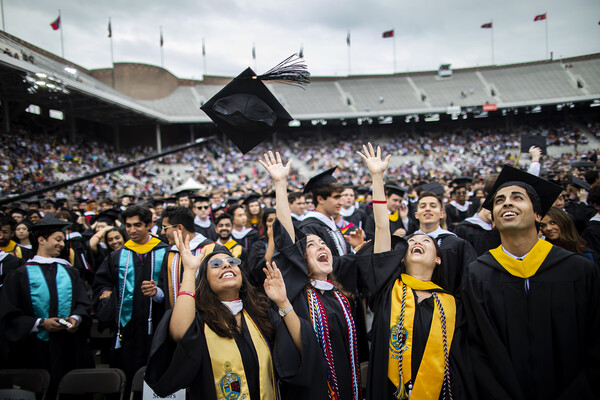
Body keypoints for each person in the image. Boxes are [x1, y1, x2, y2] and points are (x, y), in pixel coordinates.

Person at [462, 165, 600, 399]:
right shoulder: (477, 275)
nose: (507, 203)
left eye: (517, 198)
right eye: (499, 200)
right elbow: (474, 348)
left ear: (538, 215)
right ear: (493, 220)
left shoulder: (578, 270)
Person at [356, 143, 474, 400]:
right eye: (412, 242)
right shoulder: (387, 289)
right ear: (401, 258)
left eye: (426, 242)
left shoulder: (452, 306)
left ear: (439, 260)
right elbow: (382, 226)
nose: (418, 242)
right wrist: (377, 177)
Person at [260, 151, 365, 400]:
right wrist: (280, 183)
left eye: (323, 243)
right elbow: (286, 237)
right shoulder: (299, 292)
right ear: (300, 260)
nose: (321, 246)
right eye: (311, 245)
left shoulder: (341, 296)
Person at [145, 232, 300, 399]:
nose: (226, 266)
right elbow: (180, 333)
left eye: (232, 262)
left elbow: (300, 347)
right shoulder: (200, 320)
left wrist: (283, 302)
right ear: (205, 279)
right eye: (216, 264)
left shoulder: (261, 316)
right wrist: (190, 270)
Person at [0, 218, 94, 396]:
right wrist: (40, 323)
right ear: (41, 240)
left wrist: (76, 319)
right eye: (57, 239)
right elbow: (8, 313)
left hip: (69, 347)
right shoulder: (20, 274)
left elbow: (83, 304)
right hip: (34, 349)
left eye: (62, 240)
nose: (61, 244)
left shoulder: (70, 271)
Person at [92, 205, 169, 393]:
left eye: (138, 225)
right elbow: (102, 284)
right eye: (128, 226)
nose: (132, 230)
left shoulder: (166, 252)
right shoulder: (117, 256)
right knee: (128, 375)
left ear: (150, 224)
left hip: (158, 325)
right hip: (128, 329)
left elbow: (175, 286)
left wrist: (158, 293)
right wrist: (109, 296)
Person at [412, 192, 477, 296]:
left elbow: (467, 282)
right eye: (423, 206)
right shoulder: (407, 243)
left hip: (448, 304)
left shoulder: (457, 245)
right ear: (416, 214)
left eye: (433, 206)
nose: (427, 209)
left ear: (442, 214)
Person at [159, 206, 215, 309]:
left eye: (165, 228)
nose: (162, 232)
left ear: (180, 228)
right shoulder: (170, 254)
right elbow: (165, 291)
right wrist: (155, 292)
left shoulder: (213, 250)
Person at [246, 207, 277, 287]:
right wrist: (271, 238)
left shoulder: (289, 242)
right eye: (270, 220)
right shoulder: (258, 246)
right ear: (265, 223)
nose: (274, 223)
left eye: (276, 220)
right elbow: (266, 264)